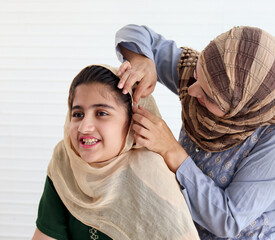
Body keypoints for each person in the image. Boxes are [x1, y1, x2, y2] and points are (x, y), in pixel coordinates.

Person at [114, 25, 275, 240]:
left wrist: (172, 151)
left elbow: (228, 221)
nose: (191, 90)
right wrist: (143, 60)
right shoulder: (212, 75)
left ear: (244, 107)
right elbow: (134, 33)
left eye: (210, 97)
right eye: (197, 74)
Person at [32, 64, 200, 240]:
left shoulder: (152, 177)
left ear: (134, 120)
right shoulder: (66, 161)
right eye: (78, 114)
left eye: (101, 113)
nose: (84, 127)